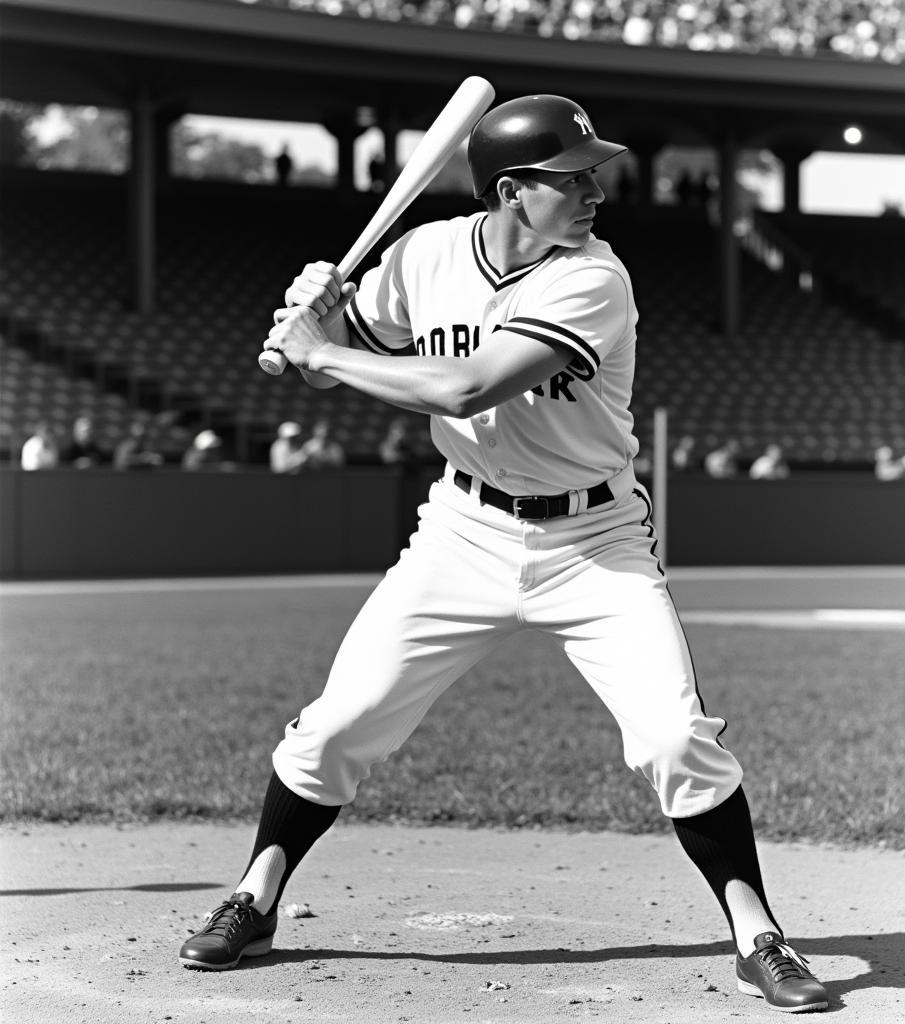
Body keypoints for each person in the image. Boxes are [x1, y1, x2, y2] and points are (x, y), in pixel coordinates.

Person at [181, 94, 828, 1014]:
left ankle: (757, 933)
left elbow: (460, 383)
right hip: (464, 533)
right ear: (513, 190)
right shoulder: (424, 254)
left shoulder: (595, 279)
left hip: (593, 542)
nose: (597, 189)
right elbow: (364, 333)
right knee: (336, 724)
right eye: (575, 176)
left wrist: (324, 354)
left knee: (674, 735)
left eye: (594, 171)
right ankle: (257, 895)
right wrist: (320, 313)